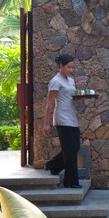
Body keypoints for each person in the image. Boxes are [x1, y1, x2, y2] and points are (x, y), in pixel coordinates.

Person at [42, 53, 82, 188]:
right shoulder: (55, 81)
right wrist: (46, 124)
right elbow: (50, 103)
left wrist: (79, 98)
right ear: (61, 66)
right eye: (69, 67)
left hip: (72, 117)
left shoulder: (71, 81)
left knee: (74, 147)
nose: (71, 70)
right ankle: (71, 182)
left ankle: (53, 165)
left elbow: (72, 97)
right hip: (62, 118)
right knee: (70, 149)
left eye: (72, 68)